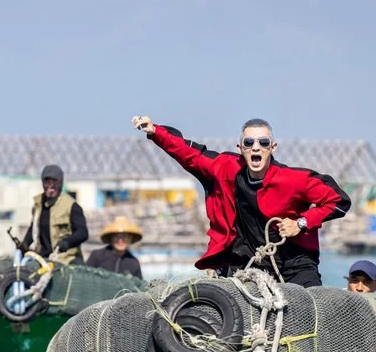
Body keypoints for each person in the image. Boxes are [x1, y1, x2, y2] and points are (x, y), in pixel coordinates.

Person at [131, 115, 351, 287]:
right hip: (245, 264)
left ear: (272, 147)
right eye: (249, 142)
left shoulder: (294, 180)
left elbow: (338, 201)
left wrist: (300, 224)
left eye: (263, 142)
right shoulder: (226, 167)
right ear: (241, 148)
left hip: (295, 266)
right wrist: (155, 132)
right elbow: (189, 154)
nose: (256, 147)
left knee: (311, 313)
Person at [21, 164, 88, 265]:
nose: (51, 186)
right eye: (47, 182)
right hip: (43, 260)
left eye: (55, 182)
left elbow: (83, 233)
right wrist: (24, 244)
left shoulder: (71, 206)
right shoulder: (38, 205)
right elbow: (33, 229)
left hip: (66, 259)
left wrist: (67, 242)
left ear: (61, 183)